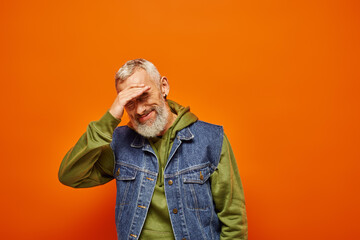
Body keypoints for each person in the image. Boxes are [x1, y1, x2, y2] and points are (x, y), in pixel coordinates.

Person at [58, 59, 248, 240]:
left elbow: (233, 217)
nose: (139, 109)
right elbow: (70, 175)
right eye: (129, 102)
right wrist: (110, 118)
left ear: (163, 87)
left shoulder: (211, 139)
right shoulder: (120, 142)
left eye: (143, 96)